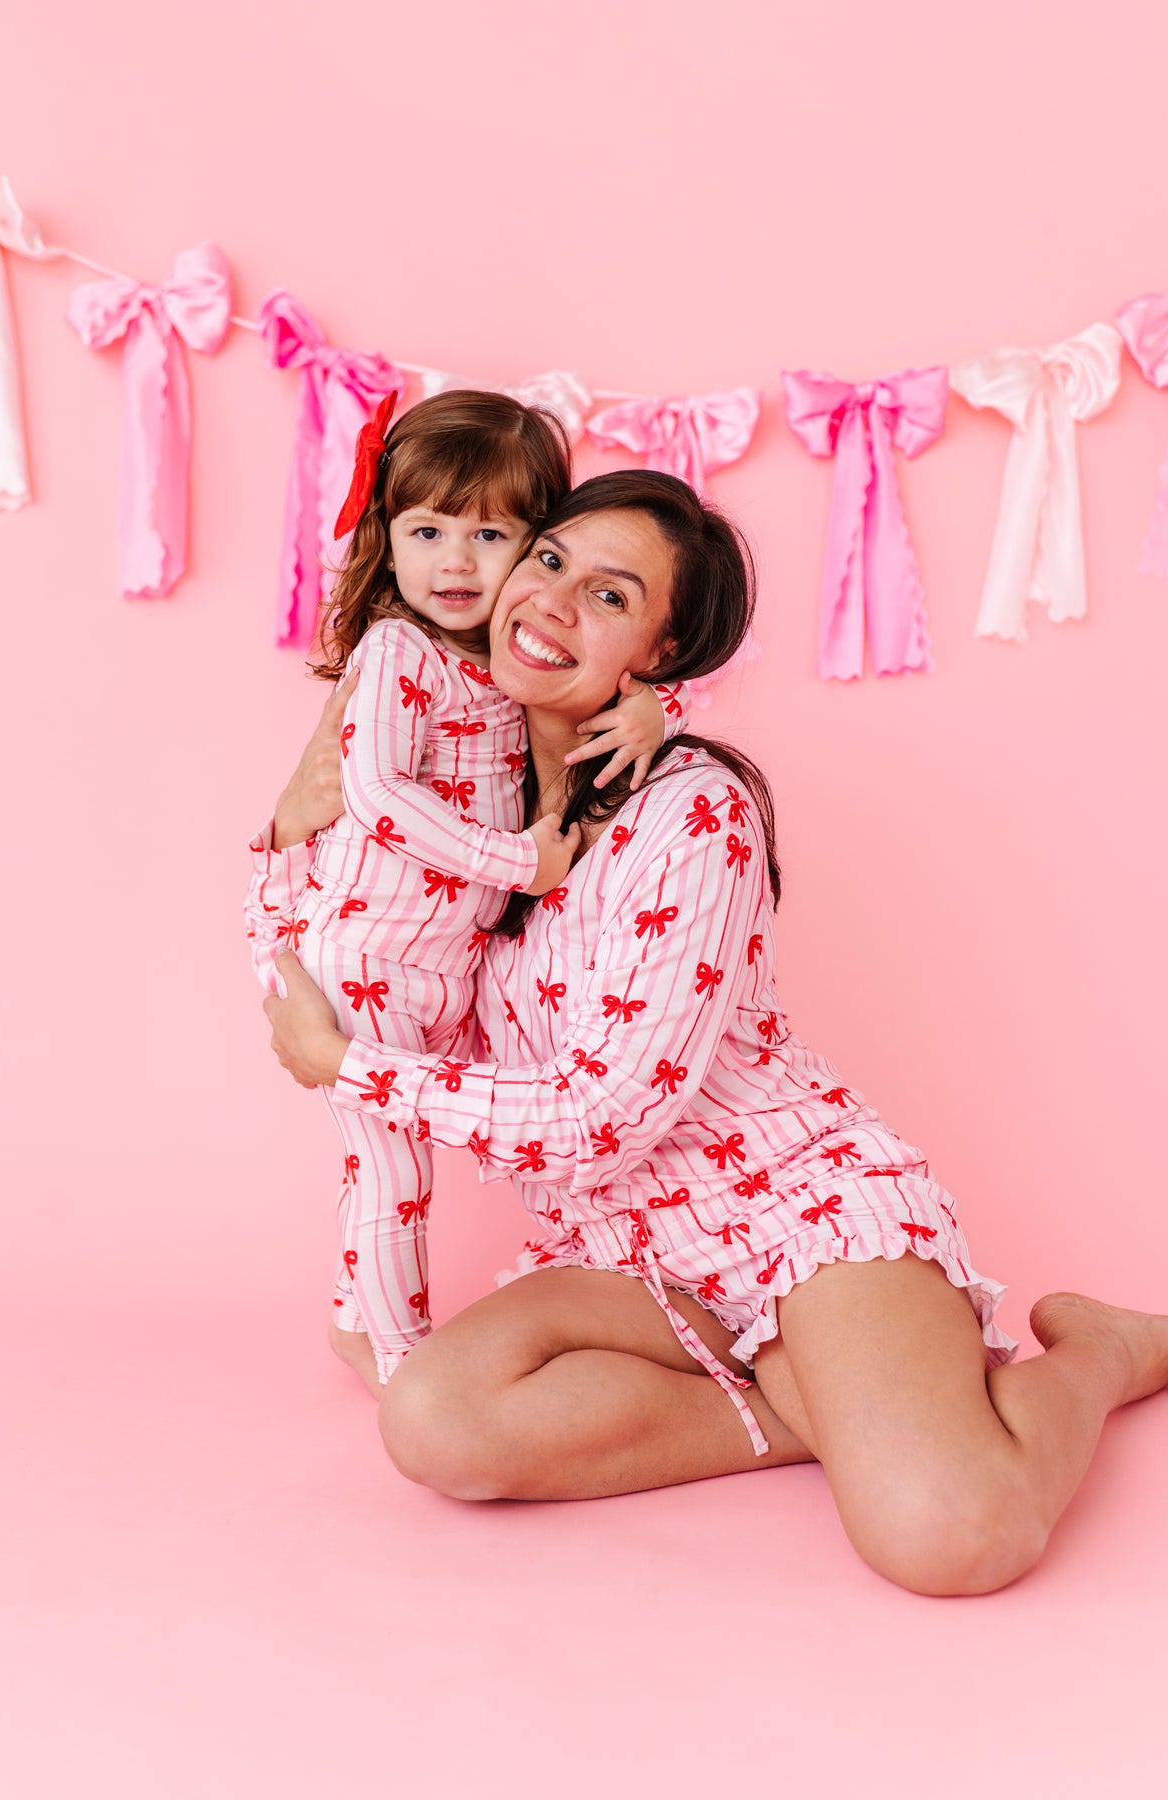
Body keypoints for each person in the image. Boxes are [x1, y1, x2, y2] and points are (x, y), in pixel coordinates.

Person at [258, 469, 1168, 1596]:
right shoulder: (459, 806)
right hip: (623, 1257)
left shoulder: (693, 813)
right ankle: (812, 1407)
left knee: (950, 1537)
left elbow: (601, 1116)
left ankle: (1101, 1351)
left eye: (610, 596)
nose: (552, 602)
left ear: (659, 655)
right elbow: (337, 930)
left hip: (792, 1213)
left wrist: (350, 1068)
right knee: (434, 1421)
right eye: (549, 560)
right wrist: (300, 802)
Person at [245, 393, 683, 1385]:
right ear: (389, 539)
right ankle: (399, 1359)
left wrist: (655, 708)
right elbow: (376, 796)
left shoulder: (507, 661)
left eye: (489, 536)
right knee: (392, 1169)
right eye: (427, 531)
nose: (455, 563)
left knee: (394, 1166)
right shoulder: (398, 653)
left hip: (438, 970)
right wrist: (521, 862)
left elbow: (615, 671)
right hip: (363, 953)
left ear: (536, 546)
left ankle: (358, 1322)